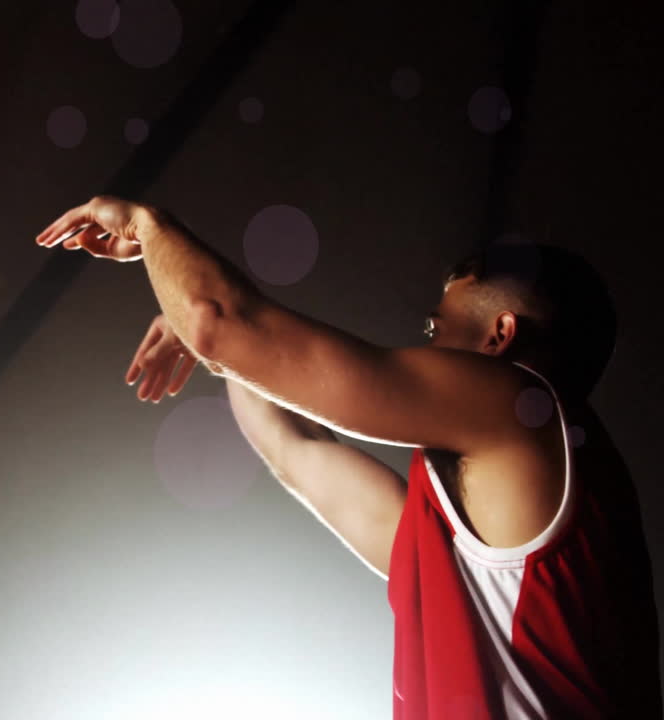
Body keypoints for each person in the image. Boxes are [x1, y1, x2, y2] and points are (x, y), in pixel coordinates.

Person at [37, 196, 661, 719]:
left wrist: (150, 227)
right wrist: (216, 334)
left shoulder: (524, 407)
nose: (428, 342)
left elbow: (221, 326)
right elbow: (292, 446)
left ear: (500, 334)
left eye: (434, 327)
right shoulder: (478, 524)